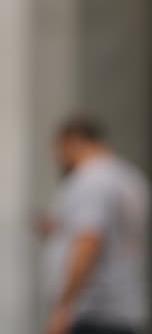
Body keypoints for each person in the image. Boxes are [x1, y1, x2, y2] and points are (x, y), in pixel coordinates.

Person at [43, 115, 150, 334]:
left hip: (94, 313)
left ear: (72, 142)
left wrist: (63, 306)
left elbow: (88, 242)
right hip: (124, 309)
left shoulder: (91, 181)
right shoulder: (129, 177)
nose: (57, 159)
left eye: (58, 150)